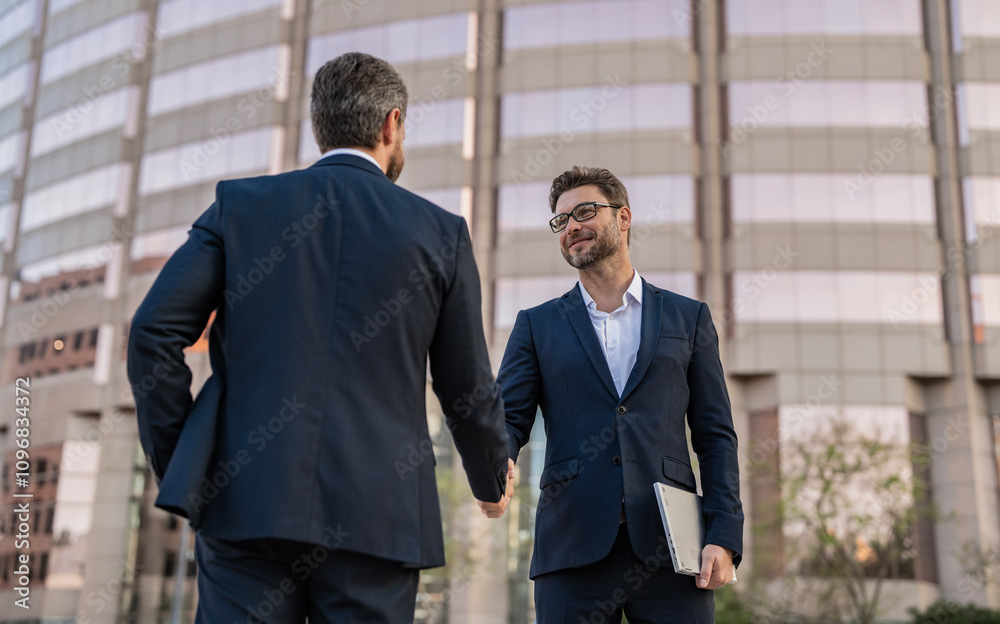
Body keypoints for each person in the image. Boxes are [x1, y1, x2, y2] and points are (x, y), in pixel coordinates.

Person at [127, 52, 513, 624]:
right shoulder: (440, 234)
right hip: (378, 514)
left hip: (246, 503)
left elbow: (152, 333)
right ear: (391, 124)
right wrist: (489, 476)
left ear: (319, 127)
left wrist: (184, 461)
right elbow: (465, 383)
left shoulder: (240, 207)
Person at [496, 166, 743, 623]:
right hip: (571, 547)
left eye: (584, 212)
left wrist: (724, 532)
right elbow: (507, 420)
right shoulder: (536, 325)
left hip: (674, 550)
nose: (571, 227)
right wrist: (496, 461)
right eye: (561, 221)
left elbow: (715, 436)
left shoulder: (688, 319)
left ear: (623, 217)